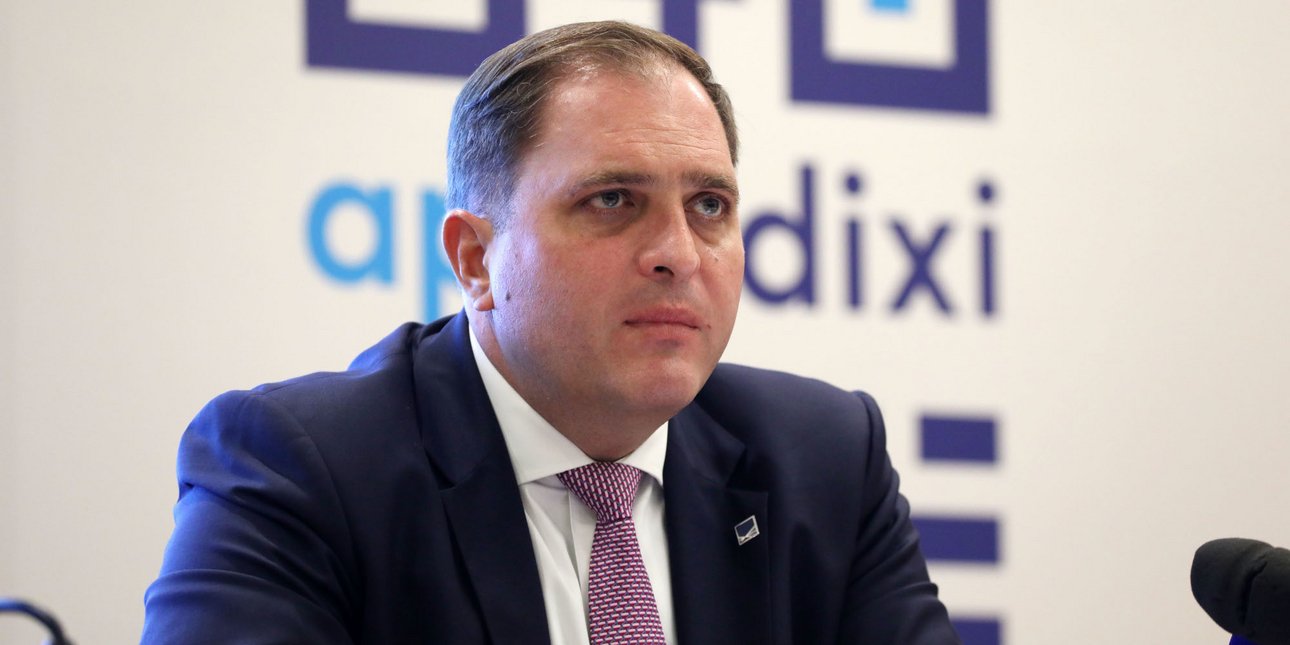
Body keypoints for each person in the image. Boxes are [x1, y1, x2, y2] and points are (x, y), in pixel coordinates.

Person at [142, 20, 960, 645]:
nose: (678, 254)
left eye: (709, 205)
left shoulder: (825, 459)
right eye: (612, 200)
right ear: (476, 259)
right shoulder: (300, 469)